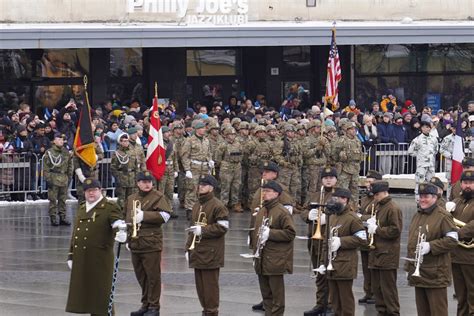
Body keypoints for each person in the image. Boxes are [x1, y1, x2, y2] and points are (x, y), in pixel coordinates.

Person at [65, 178, 127, 315]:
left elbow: (117, 222)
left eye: (94, 190)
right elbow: (76, 233)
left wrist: (121, 232)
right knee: (87, 296)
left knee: (102, 296)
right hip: (82, 258)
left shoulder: (109, 207)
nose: (91, 193)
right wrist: (71, 254)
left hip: (100, 258)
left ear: (101, 191)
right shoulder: (82, 207)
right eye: (87, 191)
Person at [405, 183, 458, 316]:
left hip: (436, 275)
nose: (422, 199)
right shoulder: (417, 215)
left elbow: (453, 240)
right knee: (422, 312)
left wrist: (431, 246)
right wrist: (408, 267)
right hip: (420, 273)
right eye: (421, 196)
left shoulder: (443, 216)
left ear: (435, 197)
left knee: (437, 312)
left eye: (426, 196)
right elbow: (412, 243)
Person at [125, 171, 173, 316]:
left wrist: (144, 216)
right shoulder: (131, 198)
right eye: (144, 181)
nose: (147, 184)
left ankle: (154, 306)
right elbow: (127, 218)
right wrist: (127, 237)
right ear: (138, 183)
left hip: (151, 242)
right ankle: (145, 304)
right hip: (135, 242)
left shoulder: (158, 197)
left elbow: (165, 215)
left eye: (149, 181)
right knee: (141, 276)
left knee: (153, 276)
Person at [185, 175, 228, 316]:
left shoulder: (217, 205)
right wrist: (187, 248)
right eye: (200, 184)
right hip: (198, 251)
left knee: (210, 288)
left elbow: (223, 227)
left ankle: (211, 312)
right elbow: (192, 229)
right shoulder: (197, 205)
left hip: (211, 252)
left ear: (212, 188)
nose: (201, 186)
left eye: (205, 184)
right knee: (201, 288)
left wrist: (202, 230)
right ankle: (206, 311)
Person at [251, 180, 296, 316]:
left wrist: (271, 233)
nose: (264, 193)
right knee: (266, 295)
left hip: (276, 258)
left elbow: (290, 233)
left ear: (276, 194)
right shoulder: (263, 210)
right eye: (264, 191)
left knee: (276, 296)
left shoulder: (282, 212)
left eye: (268, 191)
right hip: (262, 257)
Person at [325, 188, 367, 316]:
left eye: (336, 199)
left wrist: (341, 242)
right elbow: (326, 241)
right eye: (333, 198)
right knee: (335, 301)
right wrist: (323, 262)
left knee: (345, 300)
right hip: (332, 264)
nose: (333, 201)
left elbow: (362, 239)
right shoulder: (332, 217)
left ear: (345, 200)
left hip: (345, 264)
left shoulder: (352, 218)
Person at [302, 167, 337, 316]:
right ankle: (320, 304)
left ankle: (331, 305)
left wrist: (327, 218)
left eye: (331, 177)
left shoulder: (340, 195)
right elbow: (303, 210)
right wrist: (308, 215)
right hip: (315, 240)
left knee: (330, 274)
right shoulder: (315, 195)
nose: (328, 179)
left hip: (330, 240)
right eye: (325, 177)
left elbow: (348, 211)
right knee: (319, 275)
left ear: (336, 179)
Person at [367, 181, 402, 316]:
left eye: (377, 194)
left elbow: (395, 230)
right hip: (377, 252)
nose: (375, 197)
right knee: (378, 288)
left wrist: (377, 230)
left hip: (388, 254)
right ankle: (381, 312)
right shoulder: (379, 206)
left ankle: (393, 313)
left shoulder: (392, 208)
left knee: (388, 289)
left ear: (384, 192)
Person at [450, 171, 474, 316]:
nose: (467, 186)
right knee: (461, 295)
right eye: (465, 183)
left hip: (471, 257)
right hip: (456, 255)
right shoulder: (457, 201)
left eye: (471, 183)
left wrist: (458, 233)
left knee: (472, 293)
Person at [357, 170, 383, 305]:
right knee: (366, 267)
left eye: (370, 182)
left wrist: (361, 217)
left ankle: (374, 293)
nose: (367, 184)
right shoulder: (366, 197)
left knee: (373, 267)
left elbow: (377, 216)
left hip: (375, 237)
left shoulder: (379, 198)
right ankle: (368, 292)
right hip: (364, 237)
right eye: (366, 181)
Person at [181, 122, 213, 220]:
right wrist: (187, 169)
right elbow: (184, 156)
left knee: (203, 189)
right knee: (192, 189)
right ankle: (190, 210)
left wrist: (210, 161)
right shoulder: (189, 141)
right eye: (202, 128)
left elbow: (208, 152)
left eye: (204, 128)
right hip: (193, 168)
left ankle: (201, 209)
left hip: (204, 168)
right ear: (197, 129)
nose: (204, 130)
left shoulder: (206, 140)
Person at [43, 132, 73, 226]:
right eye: (59, 139)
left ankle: (62, 217)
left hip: (64, 178)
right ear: (54, 141)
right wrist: (48, 179)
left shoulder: (65, 152)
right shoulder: (49, 152)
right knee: (53, 199)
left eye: (62, 139)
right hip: (53, 177)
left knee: (63, 199)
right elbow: (46, 167)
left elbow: (69, 166)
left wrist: (69, 177)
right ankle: (53, 217)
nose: (61, 141)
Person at [111, 133, 144, 210]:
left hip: (132, 178)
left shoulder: (132, 152)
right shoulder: (117, 153)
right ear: (120, 142)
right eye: (124, 141)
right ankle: (120, 215)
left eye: (127, 141)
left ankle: (129, 215)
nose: (126, 143)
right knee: (121, 200)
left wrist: (137, 177)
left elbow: (136, 166)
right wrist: (117, 178)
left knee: (131, 199)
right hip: (122, 178)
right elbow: (113, 168)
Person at [408, 120, 439, 201]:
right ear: (422, 128)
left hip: (431, 165)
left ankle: (431, 200)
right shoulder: (417, 139)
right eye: (426, 127)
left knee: (432, 183)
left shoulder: (433, 139)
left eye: (429, 127)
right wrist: (419, 156)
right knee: (419, 183)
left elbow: (436, 149)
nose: (428, 129)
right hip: (421, 165)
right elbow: (410, 151)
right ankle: (418, 201)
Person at [214, 127, 243, 212]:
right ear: (226, 135)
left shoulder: (238, 144)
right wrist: (221, 165)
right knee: (225, 187)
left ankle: (235, 204)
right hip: (226, 166)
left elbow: (242, 154)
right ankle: (223, 204)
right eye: (230, 134)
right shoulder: (222, 145)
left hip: (237, 167)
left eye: (234, 134)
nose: (232, 136)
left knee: (236, 186)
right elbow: (218, 157)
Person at [337, 122, 363, 205]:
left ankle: (354, 207)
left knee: (355, 189)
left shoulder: (357, 140)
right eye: (351, 129)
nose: (353, 131)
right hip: (345, 168)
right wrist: (341, 156)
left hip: (355, 168)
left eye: (354, 129)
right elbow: (335, 153)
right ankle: (342, 206)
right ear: (347, 130)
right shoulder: (342, 140)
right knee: (343, 189)